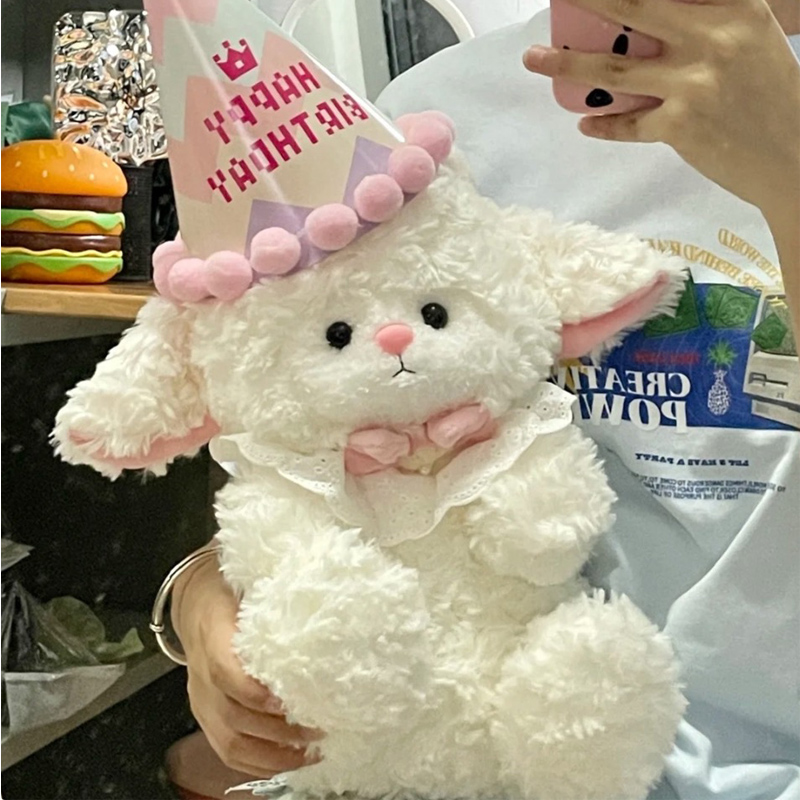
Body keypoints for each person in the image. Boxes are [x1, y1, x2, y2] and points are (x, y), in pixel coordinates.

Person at [167, 1, 800, 798]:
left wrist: (789, 166)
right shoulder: (430, 117)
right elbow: (314, 425)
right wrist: (204, 594)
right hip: (484, 760)